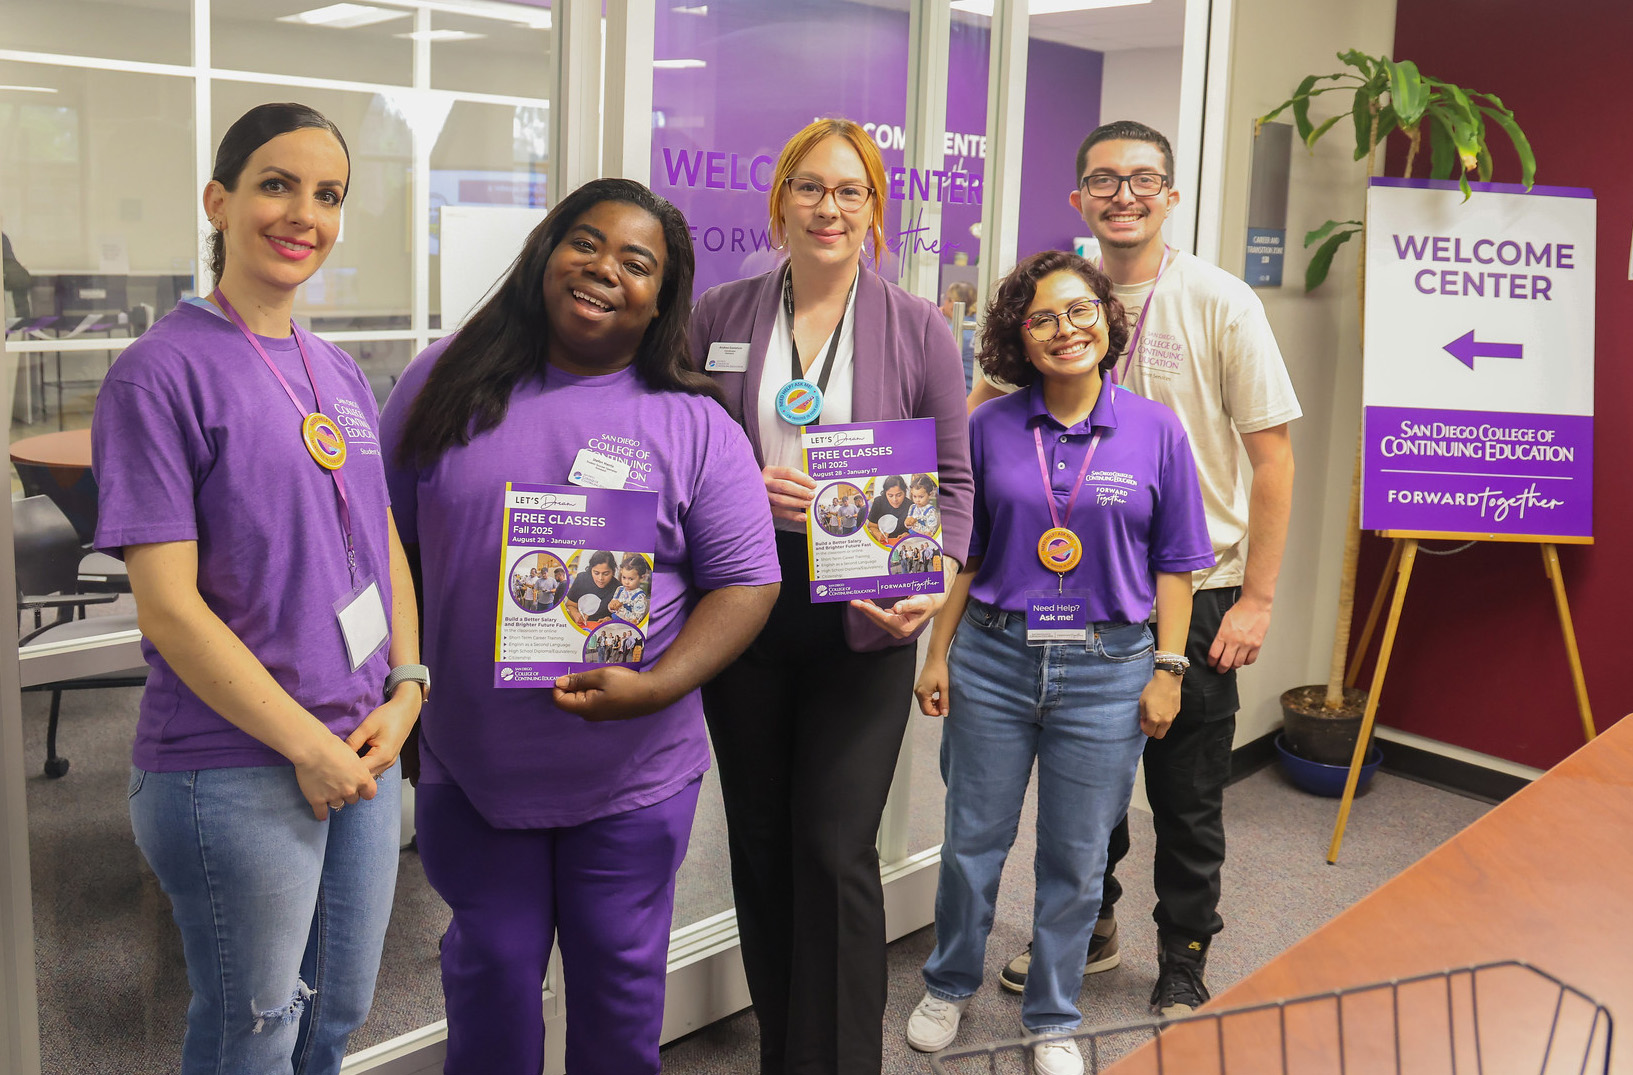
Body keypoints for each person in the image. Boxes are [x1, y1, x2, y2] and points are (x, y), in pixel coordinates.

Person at [380, 177, 781, 1075]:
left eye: (636, 263)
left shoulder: (695, 423)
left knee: (618, 991)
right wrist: (401, 691)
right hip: (472, 765)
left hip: (633, 775)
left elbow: (748, 580)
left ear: (658, 300)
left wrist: (661, 683)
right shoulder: (440, 381)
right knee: (490, 981)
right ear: (546, 251)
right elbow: (385, 548)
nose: (605, 271)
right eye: (586, 243)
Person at [91, 102, 424, 1075]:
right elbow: (170, 607)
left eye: (329, 195)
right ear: (219, 199)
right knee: (255, 1027)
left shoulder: (337, 371)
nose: (303, 215)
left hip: (363, 751)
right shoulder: (160, 374)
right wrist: (306, 746)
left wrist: (408, 684)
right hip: (235, 767)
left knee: (337, 1015)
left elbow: (384, 546)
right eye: (277, 184)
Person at [969, 120, 1300, 1016]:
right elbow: (974, 429)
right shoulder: (1050, 301)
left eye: (1143, 178)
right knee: (1090, 796)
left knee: (1187, 797)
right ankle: (1091, 928)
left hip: (1197, 588)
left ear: (1170, 194)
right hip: (1070, 587)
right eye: (1104, 180)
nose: (1124, 194)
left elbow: (1272, 458)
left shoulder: (1220, 301)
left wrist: (1257, 600)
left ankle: (1185, 954)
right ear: (1078, 197)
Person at [689, 117, 973, 1075]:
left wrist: (933, 582)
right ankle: (784, 1050)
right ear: (780, 201)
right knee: (762, 840)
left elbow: (955, 482)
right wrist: (736, 475)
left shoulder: (917, 324)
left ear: (875, 212)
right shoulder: (717, 316)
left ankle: (844, 1061)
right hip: (747, 598)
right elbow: (683, 449)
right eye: (811, 187)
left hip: (869, 605)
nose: (829, 207)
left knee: (835, 843)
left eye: (850, 191)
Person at [907, 251, 1213, 1073]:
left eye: (1079, 311)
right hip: (993, 658)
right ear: (1018, 337)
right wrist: (936, 652)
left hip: (1108, 667)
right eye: (1041, 318)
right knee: (972, 841)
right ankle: (948, 981)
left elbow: (1177, 563)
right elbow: (964, 552)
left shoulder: (1154, 429)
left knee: (1076, 857)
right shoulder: (987, 426)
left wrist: (1168, 669)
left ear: (1107, 320)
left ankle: (1051, 1013)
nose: (1063, 329)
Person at [939, 281, 978, 392]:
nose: (944, 302)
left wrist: (935, 322)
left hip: (959, 398)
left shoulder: (948, 332)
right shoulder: (980, 326)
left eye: (946, 298)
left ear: (952, 303)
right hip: (977, 397)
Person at [564, 548, 618, 627]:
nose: (600, 578)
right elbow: (570, 605)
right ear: (591, 570)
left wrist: (611, 620)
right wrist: (575, 613)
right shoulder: (581, 579)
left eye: (606, 574)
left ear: (613, 572)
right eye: (596, 573)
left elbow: (621, 617)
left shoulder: (618, 588)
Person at [866, 474, 909, 545]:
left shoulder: (911, 506)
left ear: (905, 492)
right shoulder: (878, 502)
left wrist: (908, 535)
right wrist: (877, 533)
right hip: (882, 544)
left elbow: (914, 531)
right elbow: (871, 526)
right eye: (890, 495)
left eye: (899, 495)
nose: (895, 499)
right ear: (885, 493)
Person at [609, 552, 652, 625]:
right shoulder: (619, 589)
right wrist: (611, 606)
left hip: (628, 628)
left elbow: (635, 620)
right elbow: (612, 609)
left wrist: (619, 608)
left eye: (631, 579)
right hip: (614, 623)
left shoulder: (640, 597)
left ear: (642, 578)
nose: (626, 582)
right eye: (624, 577)